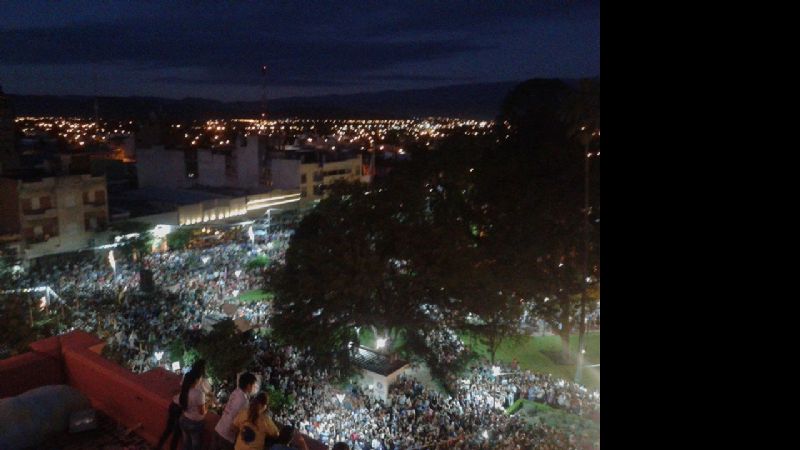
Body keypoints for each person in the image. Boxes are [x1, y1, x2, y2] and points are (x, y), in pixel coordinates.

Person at [212, 372, 258, 450]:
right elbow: (236, 418)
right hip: (227, 436)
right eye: (254, 385)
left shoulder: (236, 392)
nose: (254, 388)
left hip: (219, 428)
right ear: (248, 385)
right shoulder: (243, 400)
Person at [179, 370, 209, 450]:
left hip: (184, 419)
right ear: (196, 380)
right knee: (195, 446)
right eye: (200, 378)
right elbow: (202, 412)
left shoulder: (184, 390)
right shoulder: (199, 393)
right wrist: (208, 405)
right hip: (194, 424)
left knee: (186, 444)